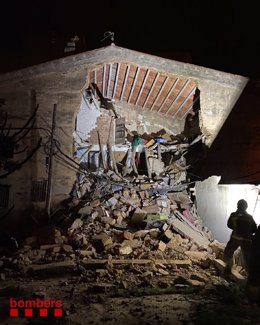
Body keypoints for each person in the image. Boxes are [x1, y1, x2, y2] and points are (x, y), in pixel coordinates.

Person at [223, 199, 257, 274]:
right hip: (247, 240)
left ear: (237, 206)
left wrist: (236, 229)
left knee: (228, 252)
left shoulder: (233, 215)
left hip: (235, 239)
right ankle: (249, 275)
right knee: (247, 257)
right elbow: (255, 229)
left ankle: (228, 268)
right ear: (246, 207)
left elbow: (229, 225)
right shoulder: (250, 217)